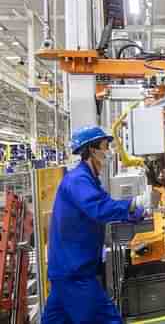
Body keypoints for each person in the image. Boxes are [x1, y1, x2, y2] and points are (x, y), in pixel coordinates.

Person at [42, 126, 147, 323]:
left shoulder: (88, 179)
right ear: (92, 150)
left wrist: (131, 215)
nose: (108, 152)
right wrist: (134, 204)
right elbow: (99, 208)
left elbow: (100, 206)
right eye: (105, 146)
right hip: (76, 272)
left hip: (66, 270)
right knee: (107, 319)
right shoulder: (78, 180)